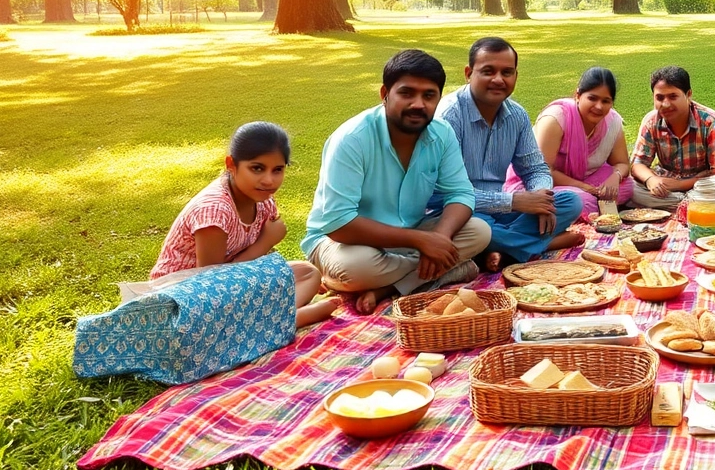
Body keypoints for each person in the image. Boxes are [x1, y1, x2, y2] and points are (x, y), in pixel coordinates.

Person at [302, 50, 492, 314]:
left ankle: (391, 287)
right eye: (406, 93)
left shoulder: (441, 133)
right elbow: (337, 223)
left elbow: (460, 194)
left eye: (429, 95)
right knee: (356, 268)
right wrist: (422, 243)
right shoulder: (352, 138)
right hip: (344, 243)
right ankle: (443, 270)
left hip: (406, 237)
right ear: (384, 94)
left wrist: (439, 237)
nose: (418, 104)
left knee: (479, 231)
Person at [152, 122, 339, 328]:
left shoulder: (263, 200)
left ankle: (271, 319)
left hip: (231, 285)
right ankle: (280, 322)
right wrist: (265, 242)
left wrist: (282, 279)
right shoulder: (215, 211)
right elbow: (209, 285)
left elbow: (261, 264)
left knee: (308, 273)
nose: (269, 180)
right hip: (181, 300)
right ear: (231, 164)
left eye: (277, 170)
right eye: (257, 168)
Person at [436, 38, 582, 270]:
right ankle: (545, 243)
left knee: (571, 202)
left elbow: (535, 168)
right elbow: (442, 191)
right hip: (458, 213)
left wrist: (540, 197)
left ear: (516, 75)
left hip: (502, 211)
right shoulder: (449, 116)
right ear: (468, 73)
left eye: (507, 72)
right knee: (479, 230)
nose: (498, 80)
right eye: (488, 71)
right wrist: (514, 201)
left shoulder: (517, 115)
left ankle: (502, 248)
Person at [506, 66, 633, 221]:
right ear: (578, 95)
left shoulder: (612, 121)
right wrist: (585, 188)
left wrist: (615, 177)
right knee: (578, 200)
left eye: (606, 101)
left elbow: (622, 163)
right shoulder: (556, 118)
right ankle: (591, 207)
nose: (599, 106)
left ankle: (587, 208)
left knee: (627, 186)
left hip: (586, 182)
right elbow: (543, 171)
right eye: (592, 98)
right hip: (543, 184)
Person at [629, 65, 715, 210]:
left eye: (673, 96)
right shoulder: (651, 121)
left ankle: (682, 205)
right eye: (659, 97)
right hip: (665, 187)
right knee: (629, 187)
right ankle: (689, 206)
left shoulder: (711, 123)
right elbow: (638, 164)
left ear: (688, 95)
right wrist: (651, 179)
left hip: (702, 186)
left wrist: (681, 185)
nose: (666, 104)